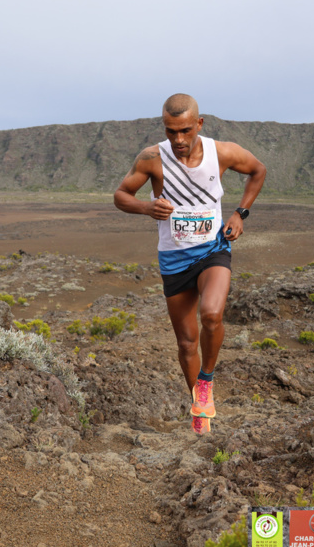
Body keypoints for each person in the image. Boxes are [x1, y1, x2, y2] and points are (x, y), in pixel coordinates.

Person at [113, 93, 266, 434]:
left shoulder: (221, 152)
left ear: (199, 123)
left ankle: (207, 382)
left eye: (184, 130)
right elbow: (121, 195)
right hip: (174, 257)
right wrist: (146, 207)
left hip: (213, 249)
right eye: (170, 132)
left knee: (212, 314)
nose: (178, 140)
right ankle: (199, 405)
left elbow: (258, 170)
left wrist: (241, 214)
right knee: (186, 343)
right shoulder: (152, 158)